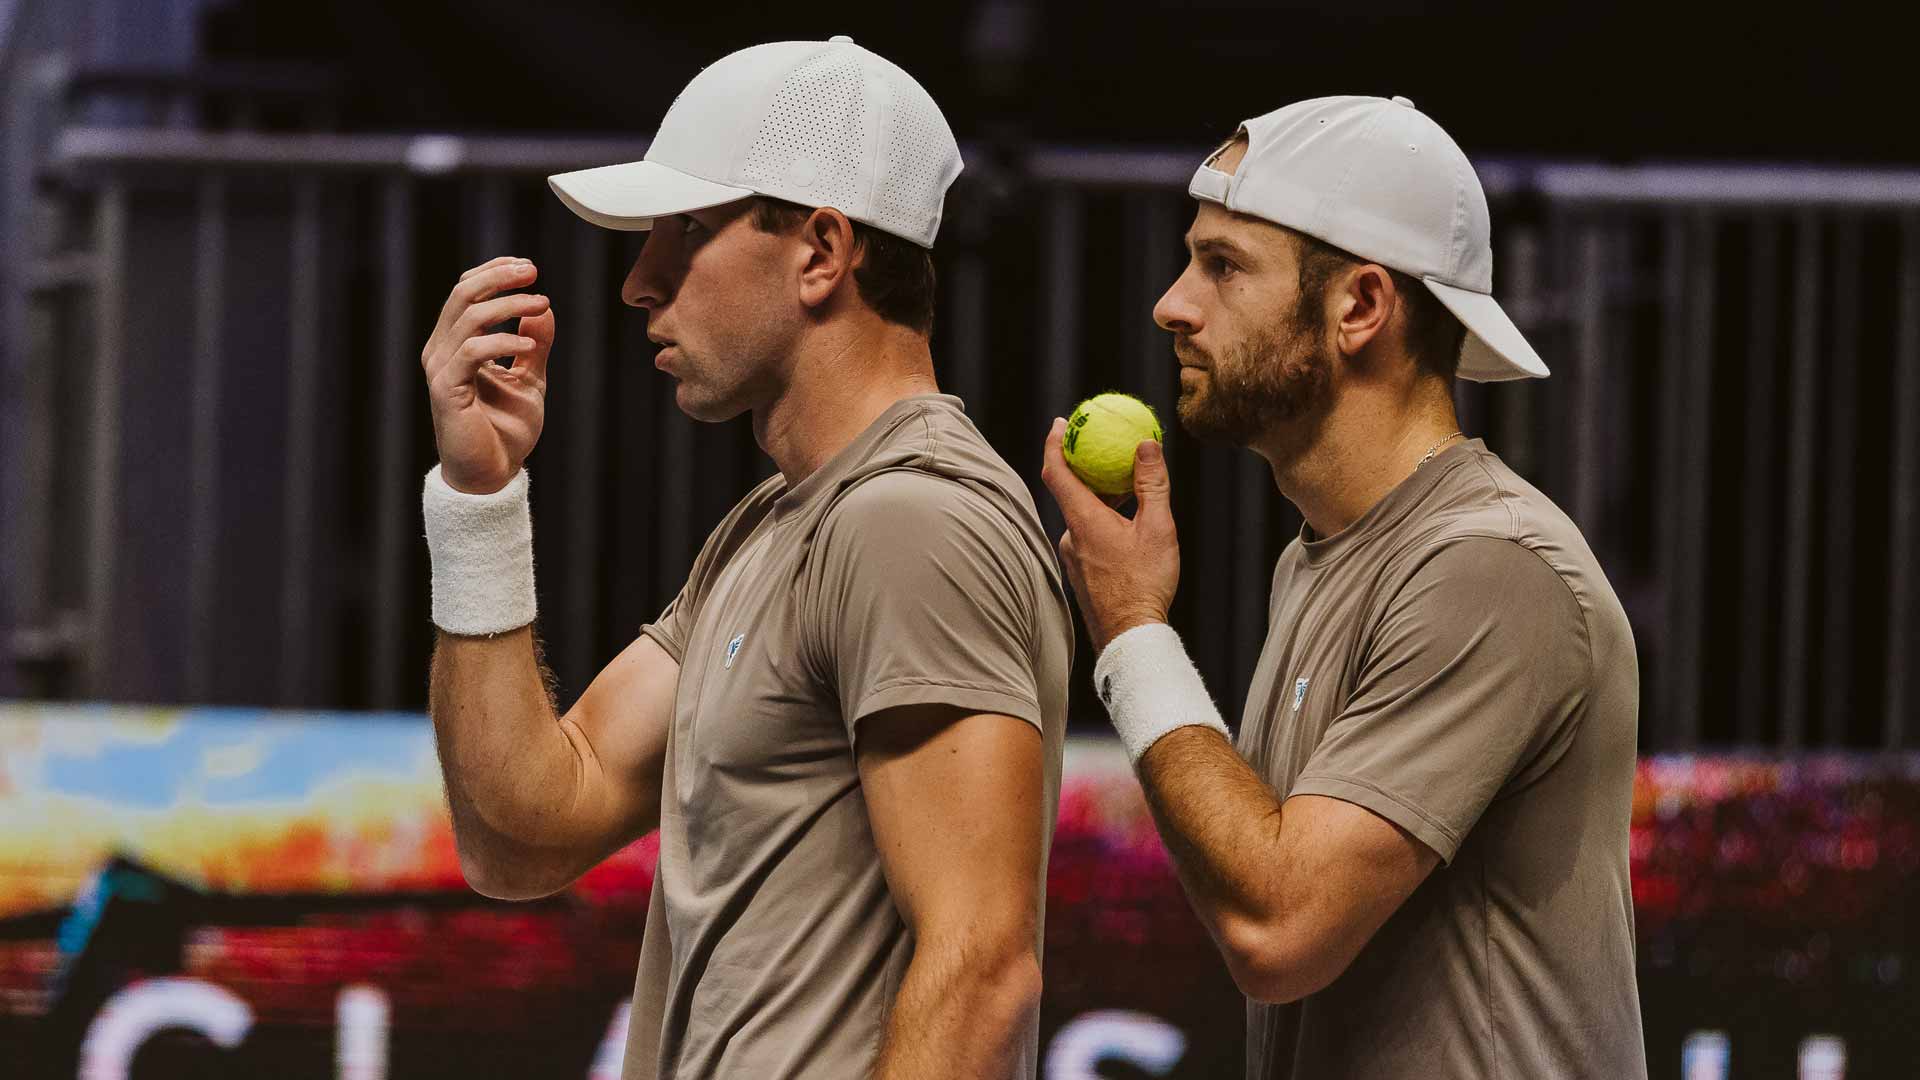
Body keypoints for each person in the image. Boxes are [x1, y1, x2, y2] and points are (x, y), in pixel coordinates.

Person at [416, 37, 1073, 1079]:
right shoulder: (776, 527)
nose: (640, 282)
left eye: (687, 230)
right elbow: (521, 833)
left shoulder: (912, 522)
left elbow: (984, 969)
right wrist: (479, 500)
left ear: (821, 250)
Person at [1039, 95, 1646, 1078]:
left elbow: (1279, 927)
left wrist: (1134, 634)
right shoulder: (1320, 558)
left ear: (1361, 305)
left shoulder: (1494, 566)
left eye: (1224, 266)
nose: (1172, 303)